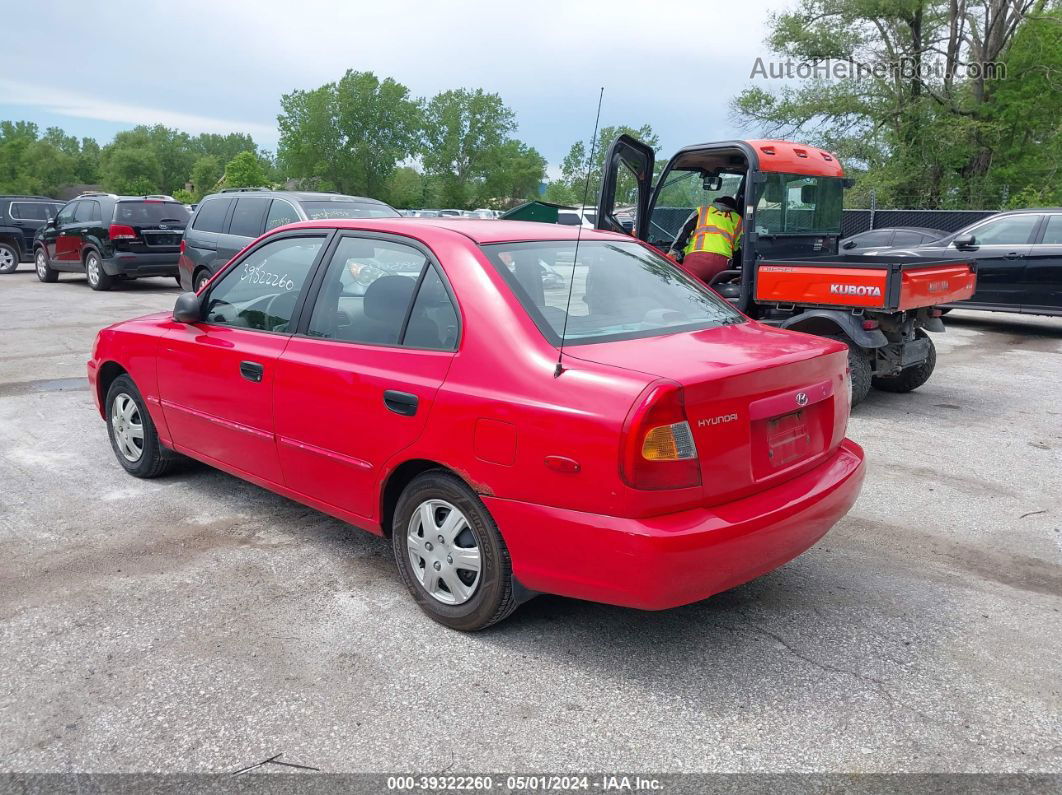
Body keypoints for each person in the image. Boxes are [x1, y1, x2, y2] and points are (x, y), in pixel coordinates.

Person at [668, 195, 743, 285]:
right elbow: (737, 248)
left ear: (715, 203)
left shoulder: (702, 211)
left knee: (683, 288)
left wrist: (673, 251)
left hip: (696, 261)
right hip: (722, 267)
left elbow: (684, 231)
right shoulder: (738, 219)